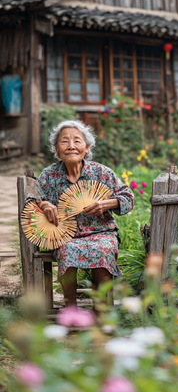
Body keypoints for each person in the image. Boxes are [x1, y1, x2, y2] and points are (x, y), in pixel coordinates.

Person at [29, 119, 134, 307]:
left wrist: (107, 204)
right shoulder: (49, 175)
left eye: (77, 141)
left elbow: (128, 198)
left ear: (86, 148)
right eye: (64, 141)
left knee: (103, 250)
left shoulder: (102, 173)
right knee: (67, 250)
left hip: (101, 233)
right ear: (56, 149)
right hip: (65, 235)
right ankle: (71, 308)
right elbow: (32, 201)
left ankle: (103, 309)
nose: (71, 146)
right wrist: (44, 205)